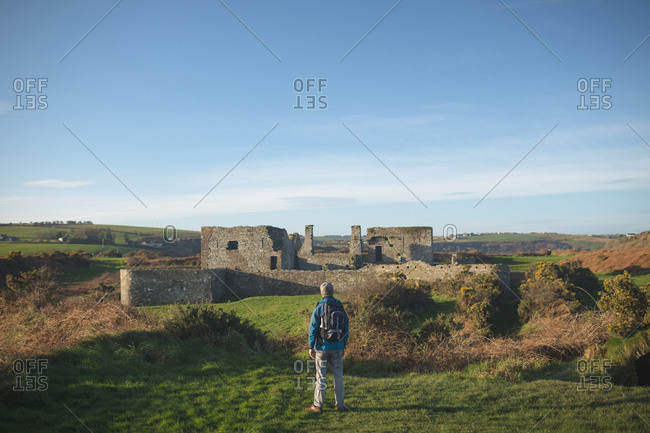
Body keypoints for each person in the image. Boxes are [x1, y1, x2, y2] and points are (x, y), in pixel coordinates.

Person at [305, 282, 349, 413]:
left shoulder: (319, 308)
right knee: (338, 377)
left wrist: (311, 346)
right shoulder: (340, 307)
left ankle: (318, 406)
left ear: (321, 292)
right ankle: (340, 405)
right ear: (333, 291)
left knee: (321, 377)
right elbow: (346, 328)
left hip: (321, 347)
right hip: (337, 346)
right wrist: (343, 346)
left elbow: (312, 329)